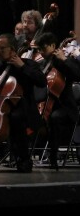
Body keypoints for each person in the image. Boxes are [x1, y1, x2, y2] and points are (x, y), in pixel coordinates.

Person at [0, 33, 47, 172]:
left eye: (1, 48)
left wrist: (22, 66)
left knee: (16, 118)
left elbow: (42, 82)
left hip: (24, 108)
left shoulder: (29, 64)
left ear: (12, 49)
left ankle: (23, 159)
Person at [34, 32, 80, 169]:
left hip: (66, 108)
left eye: (44, 48)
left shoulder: (64, 61)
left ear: (53, 45)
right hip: (46, 105)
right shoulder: (42, 64)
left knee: (53, 118)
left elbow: (78, 74)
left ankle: (52, 155)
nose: (41, 52)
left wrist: (65, 59)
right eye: (39, 49)